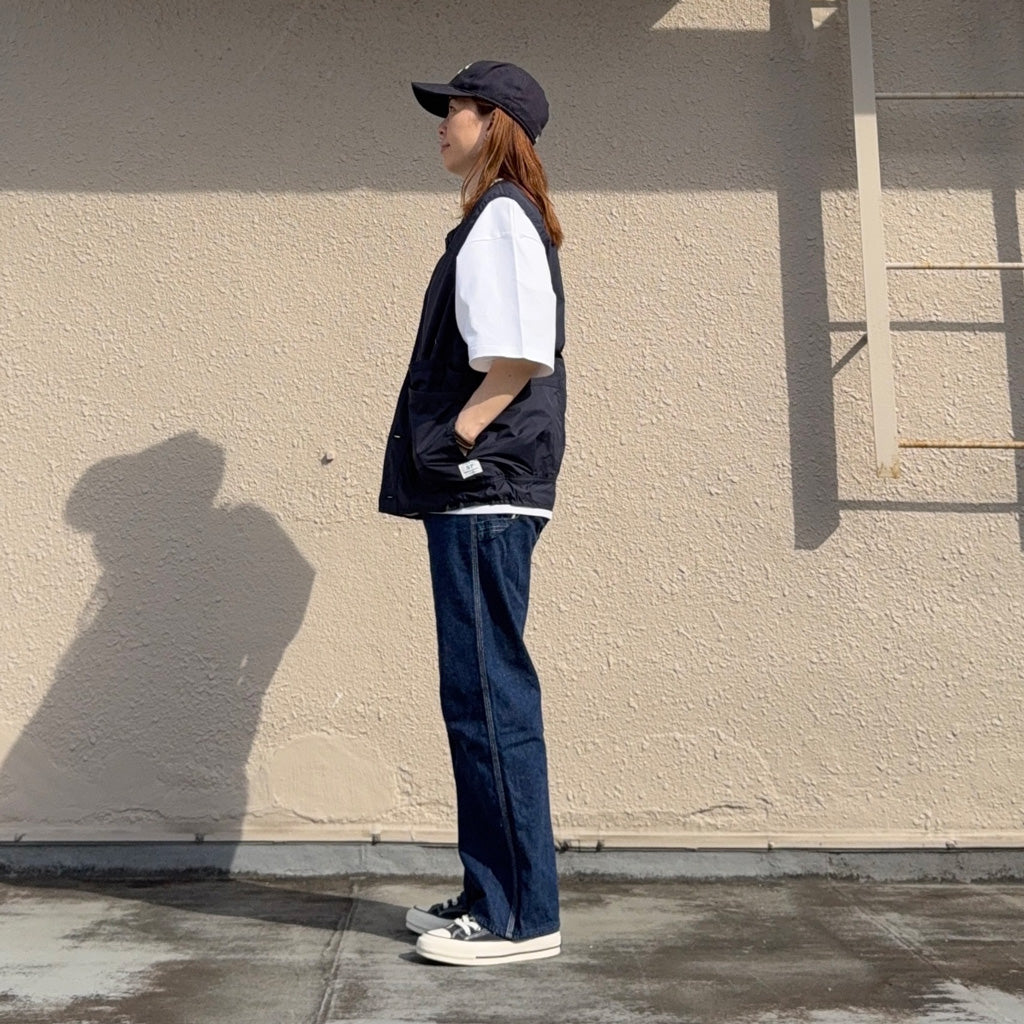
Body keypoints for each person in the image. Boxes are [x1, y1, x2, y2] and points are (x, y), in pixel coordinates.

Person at [379, 60, 567, 966]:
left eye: (451, 110)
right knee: (476, 696)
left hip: (483, 486)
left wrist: (456, 433)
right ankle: (490, 888)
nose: (440, 124)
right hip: (480, 489)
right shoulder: (496, 217)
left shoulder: (500, 217)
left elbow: (520, 355)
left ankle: (519, 916)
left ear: (494, 123)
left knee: (489, 698)